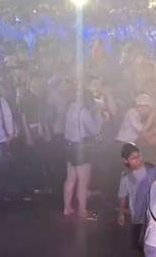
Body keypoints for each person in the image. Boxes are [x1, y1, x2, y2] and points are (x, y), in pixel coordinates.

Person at [63, 89, 102, 218]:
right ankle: (82, 210)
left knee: (70, 179)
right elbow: (94, 130)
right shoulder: (84, 112)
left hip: (69, 145)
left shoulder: (70, 107)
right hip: (81, 148)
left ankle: (67, 208)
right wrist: (98, 115)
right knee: (83, 181)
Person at [117, 142, 156, 250]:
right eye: (133, 158)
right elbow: (122, 196)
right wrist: (121, 213)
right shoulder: (126, 178)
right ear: (125, 161)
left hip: (154, 215)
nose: (138, 160)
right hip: (138, 218)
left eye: (139, 156)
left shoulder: (152, 170)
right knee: (139, 247)